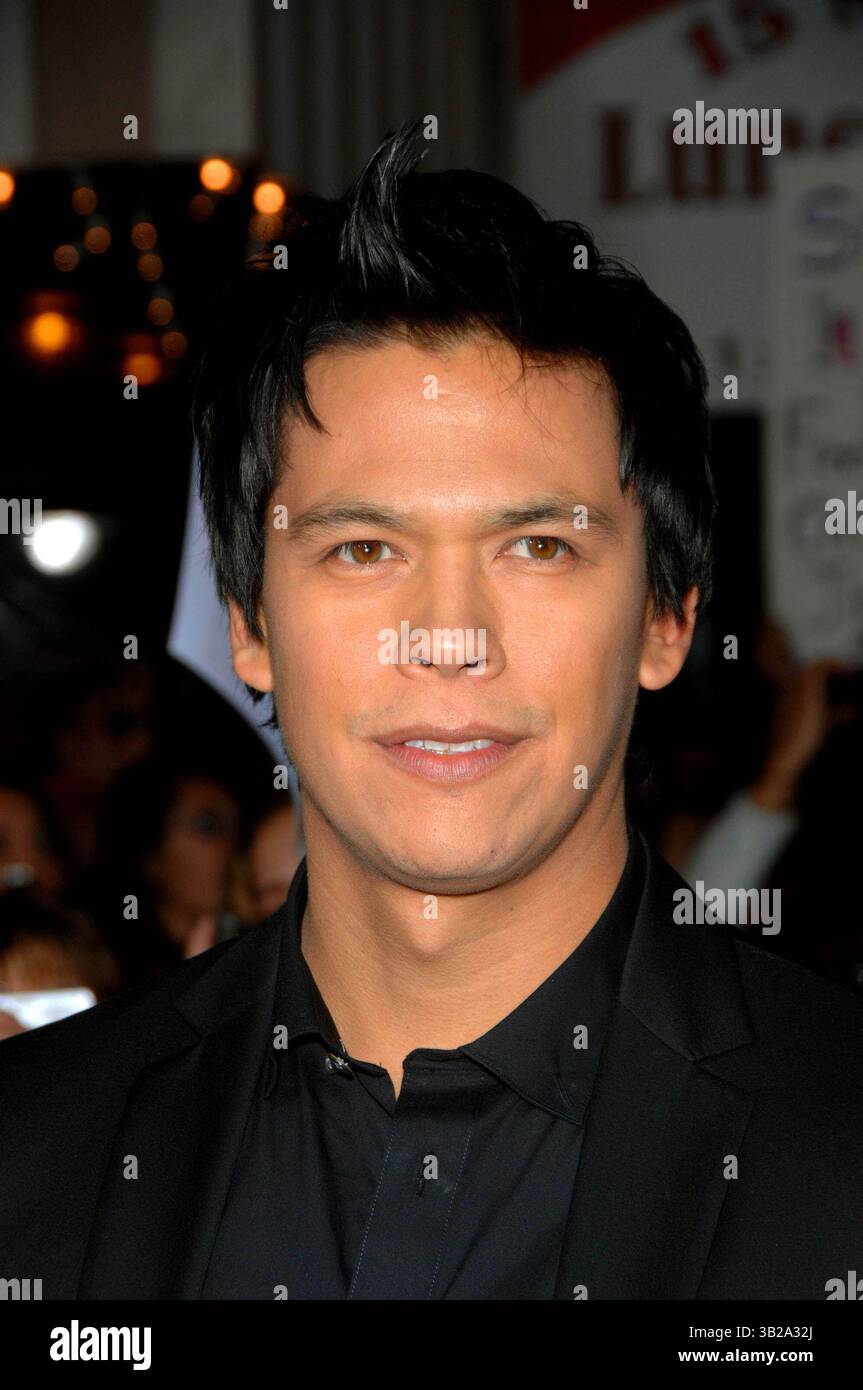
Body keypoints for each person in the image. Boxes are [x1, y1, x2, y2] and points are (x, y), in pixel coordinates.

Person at [1, 120, 861, 1301]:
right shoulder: (34, 1148)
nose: (448, 636)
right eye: (363, 549)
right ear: (250, 622)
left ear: (666, 618)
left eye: (538, 546)